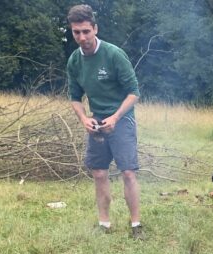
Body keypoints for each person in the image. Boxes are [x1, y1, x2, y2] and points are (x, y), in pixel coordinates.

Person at [66, 4, 143, 239]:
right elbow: (74, 97)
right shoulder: (74, 61)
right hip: (96, 122)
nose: (82, 37)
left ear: (95, 29)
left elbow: (134, 92)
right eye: (76, 32)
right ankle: (104, 224)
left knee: (128, 173)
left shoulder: (113, 54)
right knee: (99, 173)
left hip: (122, 119)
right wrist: (84, 119)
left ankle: (136, 225)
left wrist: (116, 117)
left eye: (86, 31)